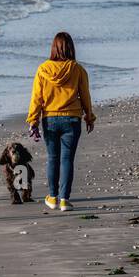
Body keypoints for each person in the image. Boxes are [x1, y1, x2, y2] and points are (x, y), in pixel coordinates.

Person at [26, 31, 95, 211]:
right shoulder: (77, 69)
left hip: (50, 119)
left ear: (54, 48)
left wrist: (33, 119)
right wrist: (89, 116)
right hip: (72, 119)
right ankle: (65, 199)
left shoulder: (43, 69)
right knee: (67, 159)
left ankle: (53, 197)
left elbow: (36, 98)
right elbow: (85, 95)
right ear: (71, 48)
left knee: (53, 158)